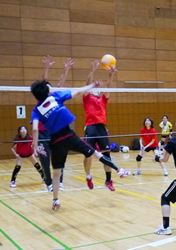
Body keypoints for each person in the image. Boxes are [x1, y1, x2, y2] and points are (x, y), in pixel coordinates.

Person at [30, 80, 130, 210]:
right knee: (96, 154)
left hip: (55, 141)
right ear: (47, 90)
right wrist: (91, 86)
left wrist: (36, 145)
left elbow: (35, 129)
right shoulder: (55, 97)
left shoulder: (36, 111)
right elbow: (77, 91)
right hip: (69, 135)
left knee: (56, 173)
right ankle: (119, 170)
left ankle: (55, 200)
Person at [39, 55, 74, 192]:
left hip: (55, 132)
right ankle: (49, 183)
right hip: (42, 132)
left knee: (59, 157)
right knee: (45, 160)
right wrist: (46, 68)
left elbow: (62, 83)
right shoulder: (41, 98)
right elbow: (43, 82)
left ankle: (59, 182)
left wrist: (66, 70)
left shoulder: (56, 97)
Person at [82, 60, 117, 191]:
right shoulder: (87, 98)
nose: (96, 89)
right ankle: (88, 176)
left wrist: (111, 75)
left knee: (106, 155)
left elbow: (108, 88)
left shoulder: (103, 99)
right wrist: (92, 71)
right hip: (90, 128)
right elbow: (86, 86)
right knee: (88, 155)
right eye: (94, 88)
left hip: (102, 128)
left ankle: (108, 180)